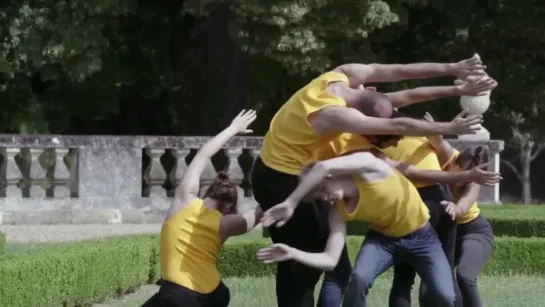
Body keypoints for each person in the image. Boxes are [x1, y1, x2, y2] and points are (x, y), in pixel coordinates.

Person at [251, 56, 491, 307]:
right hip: (282, 178)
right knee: (303, 270)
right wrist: (450, 126)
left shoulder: (339, 78)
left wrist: (455, 76)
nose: (393, 144)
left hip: (285, 172)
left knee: (336, 266)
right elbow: (397, 127)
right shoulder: (337, 119)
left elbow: (402, 80)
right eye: (384, 139)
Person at [257, 149, 501, 307]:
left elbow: (321, 166)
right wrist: (291, 252)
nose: (326, 199)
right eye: (320, 198)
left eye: (322, 191)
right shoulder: (337, 210)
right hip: (383, 240)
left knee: (446, 296)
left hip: (422, 237)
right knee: (359, 278)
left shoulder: (370, 168)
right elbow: (331, 260)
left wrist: (292, 201)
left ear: (329, 177)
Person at [141, 110, 262, 307]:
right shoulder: (225, 224)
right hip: (215, 293)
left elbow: (203, 154)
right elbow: (256, 214)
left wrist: (233, 129)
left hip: (179, 296)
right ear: (229, 206)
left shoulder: (184, 200)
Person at [424, 112, 495, 307]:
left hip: (473, 230)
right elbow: (438, 140)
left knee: (465, 276)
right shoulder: (449, 157)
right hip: (445, 231)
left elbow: (466, 201)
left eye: (470, 178)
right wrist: (433, 127)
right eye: (463, 174)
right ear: (456, 162)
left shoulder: (474, 181)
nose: (463, 181)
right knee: (431, 285)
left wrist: (456, 208)